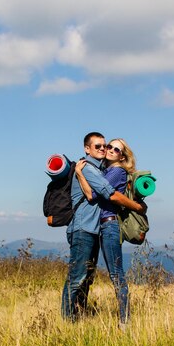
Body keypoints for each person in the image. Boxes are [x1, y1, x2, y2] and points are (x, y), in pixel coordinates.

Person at [62, 132, 146, 322]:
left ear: (122, 156)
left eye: (113, 148)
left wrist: (138, 208)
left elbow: (104, 194)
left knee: (111, 275)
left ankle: (123, 321)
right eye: (105, 146)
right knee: (80, 277)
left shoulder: (113, 171)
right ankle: (71, 319)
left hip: (106, 227)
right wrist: (79, 172)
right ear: (87, 149)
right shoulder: (93, 169)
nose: (106, 149)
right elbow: (95, 195)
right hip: (89, 228)